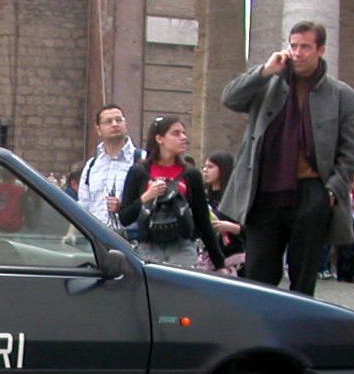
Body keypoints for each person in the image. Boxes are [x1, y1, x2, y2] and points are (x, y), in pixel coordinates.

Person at [219, 21, 354, 295]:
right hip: (265, 193)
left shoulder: (341, 95)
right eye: (293, 45)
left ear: (320, 50)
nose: (297, 52)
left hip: (311, 192)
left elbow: (351, 149)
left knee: (303, 278)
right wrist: (264, 71)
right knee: (259, 275)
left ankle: (299, 335)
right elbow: (230, 98)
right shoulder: (268, 84)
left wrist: (332, 190)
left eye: (305, 47)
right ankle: (260, 334)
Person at [119, 115, 226, 271]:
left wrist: (219, 263)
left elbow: (202, 218)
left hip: (182, 246)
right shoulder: (139, 171)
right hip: (149, 247)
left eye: (184, 133)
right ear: (160, 139)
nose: (183, 138)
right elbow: (125, 217)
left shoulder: (191, 174)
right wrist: (146, 197)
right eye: (176, 133)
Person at [75, 104, 141, 235]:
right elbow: (83, 206)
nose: (115, 124)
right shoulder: (91, 166)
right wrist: (73, 234)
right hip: (97, 239)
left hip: (132, 240)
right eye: (108, 122)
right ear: (98, 129)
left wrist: (124, 208)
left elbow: (150, 203)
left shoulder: (142, 159)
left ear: (125, 125)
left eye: (119, 120)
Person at [200, 151, 245, 274]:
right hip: (209, 257)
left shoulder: (236, 198)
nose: (205, 170)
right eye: (204, 167)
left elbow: (250, 230)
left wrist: (230, 227)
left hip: (234, 257)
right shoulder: (203, 196)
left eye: (210, 167)